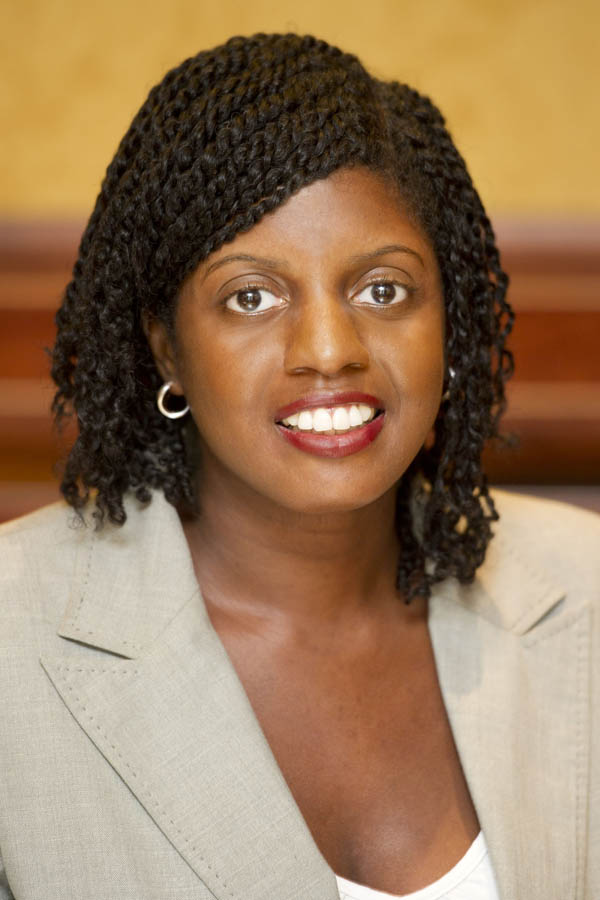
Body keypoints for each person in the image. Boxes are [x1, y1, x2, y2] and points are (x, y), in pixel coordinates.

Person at [0, 32, 598, 900]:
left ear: (450, 321)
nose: (329, 348)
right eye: (251, 296)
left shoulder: (585, 587)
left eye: (383, 289)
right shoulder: (13, 641)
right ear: (166, 347)